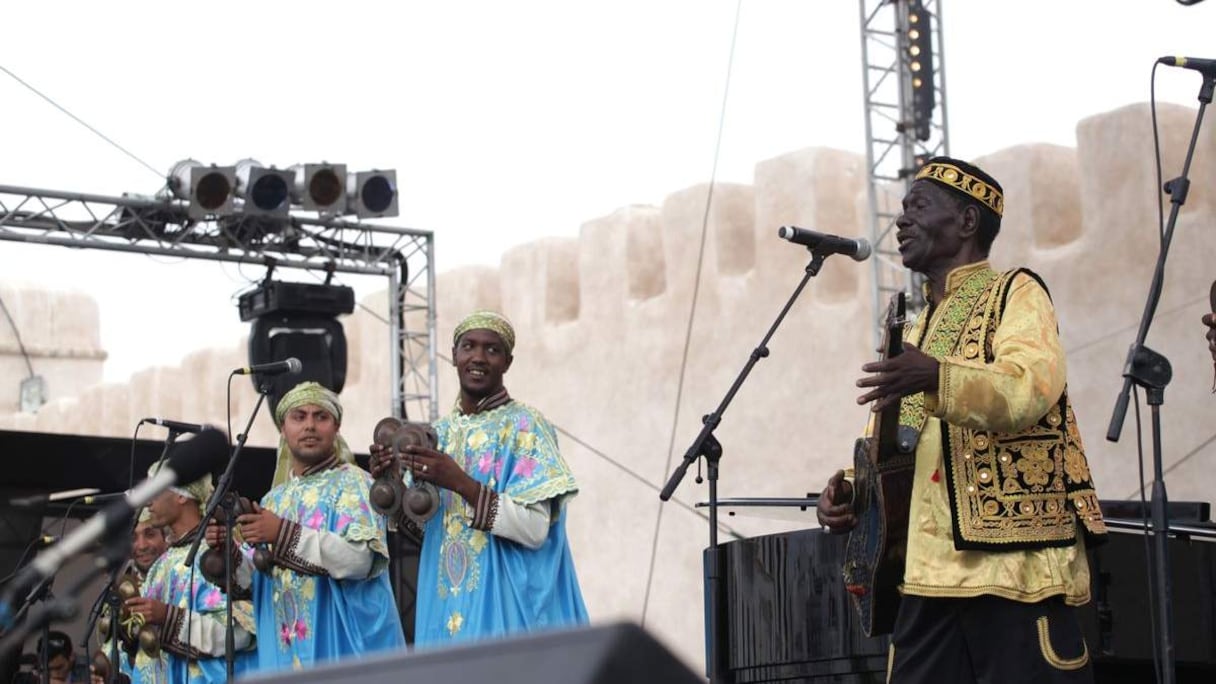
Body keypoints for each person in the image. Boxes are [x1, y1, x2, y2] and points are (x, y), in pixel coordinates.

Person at [816, 157, 1107, 683]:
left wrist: (937, 377)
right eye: (901, 209)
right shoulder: (917, 323)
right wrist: (853, 492)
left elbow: (1029, 387)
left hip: (1013, 575)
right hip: (924, 583)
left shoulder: (1015, 293)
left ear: (968, 222)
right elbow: (898, 444)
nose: (901, 221)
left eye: (918, 207)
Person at [371, 310, 588, 646]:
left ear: (507, 362)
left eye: (492, 349)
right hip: (445, 610)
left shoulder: (526, 426)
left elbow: (534, 530)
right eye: (469, 346)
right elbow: (425, 531)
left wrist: (461, 483)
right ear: (454, 355)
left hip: (508, 608)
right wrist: (393, 487)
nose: (478, 357)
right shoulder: (437, 434)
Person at [208, 381, 404, 672]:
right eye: (299, 417)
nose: (310, 426)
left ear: (336, 428)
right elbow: (258, 580)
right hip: (286, 656)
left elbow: (360, 560)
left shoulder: (356, 483)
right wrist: (229, 556)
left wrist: (281, 533)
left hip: (346, 652)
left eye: (320, 417)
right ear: (283, 430)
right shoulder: (273, 500)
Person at [126, 459, 257, 683]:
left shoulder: (220, 553)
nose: (148, 503)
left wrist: (167, 618)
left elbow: (241, 635)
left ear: (181, 495)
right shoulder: (161, 564)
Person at [93, 509, 168, 683]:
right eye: (132, 538)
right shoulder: (120, 586)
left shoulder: (183, 578)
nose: (141, 545)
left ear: (167, 538)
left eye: (150, 534)